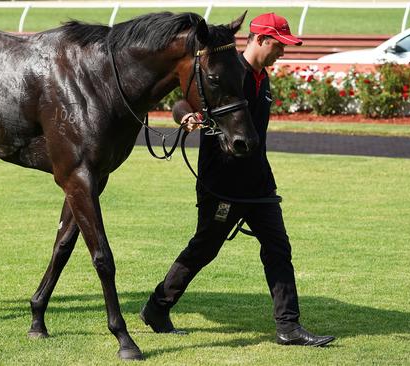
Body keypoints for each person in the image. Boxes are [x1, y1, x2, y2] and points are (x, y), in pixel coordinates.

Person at [140, 13, 335, 347]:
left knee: (278, 248)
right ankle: (156, 308)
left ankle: (288, 327)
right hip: (222, 184)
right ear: (259, 40)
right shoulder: (227, 71)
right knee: (204, 248)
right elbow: (180, 101)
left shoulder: (265, 79)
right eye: (279, 45)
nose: (283, 52)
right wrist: (185, 116)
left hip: (259, 183)